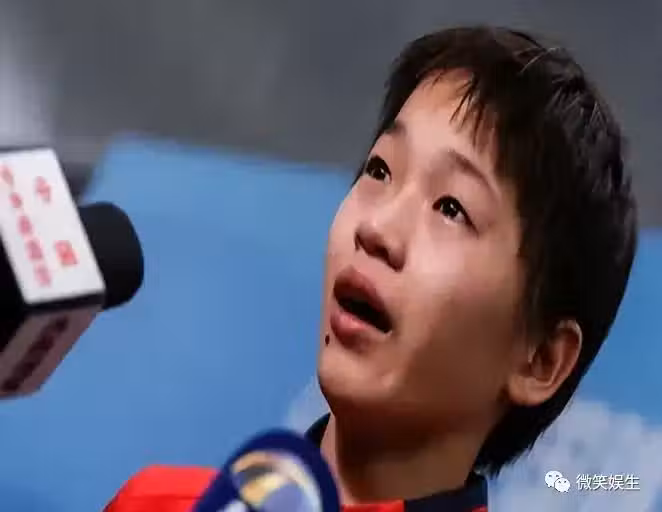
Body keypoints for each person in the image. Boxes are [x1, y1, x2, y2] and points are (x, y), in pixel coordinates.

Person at [104, 25, 638, 512]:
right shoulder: (156, 503)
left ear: (540, 360)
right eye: (379, 170)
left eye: (451, 208)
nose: (377, 228)